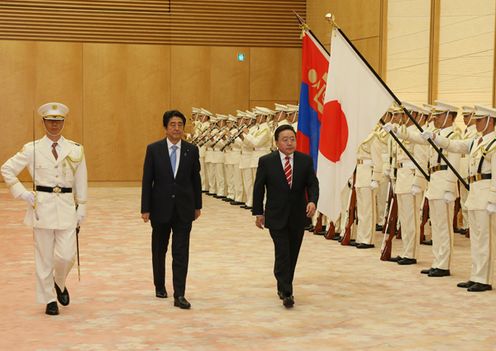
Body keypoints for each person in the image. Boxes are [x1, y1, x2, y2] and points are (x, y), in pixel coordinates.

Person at [1, 102, 87, 316]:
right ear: (43, 122)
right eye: (50, 121)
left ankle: (59, 282)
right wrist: (22, 193)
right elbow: (7, 169)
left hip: (67, 206)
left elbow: (81, 178)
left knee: (67, 256)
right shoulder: (32, 148)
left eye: (58, 121)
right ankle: (49, 299)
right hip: (42, 208)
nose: (54, 125)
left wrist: (82, 205)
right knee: (44, 256)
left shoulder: (75, 149)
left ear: (64, 122)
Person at [428, 105, 496, 291]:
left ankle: (484, 278)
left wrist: (493, 199)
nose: (476, 123)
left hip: (485, 193)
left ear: (490, 121)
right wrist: (436, 137)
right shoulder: (476, 142)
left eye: (480, 120)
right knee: (476, 238)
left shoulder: (494, 143)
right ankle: (476, 275)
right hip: (475, 192)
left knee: (485, 238)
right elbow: (455, 146)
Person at [141, 109, 202, 309]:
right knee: (159, 249)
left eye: (180, 125)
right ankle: (159, 285)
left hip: (184, 208)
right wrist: (145, 208)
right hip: (160, 208)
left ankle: (180, 294)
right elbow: (147, 181)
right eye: (172, 125)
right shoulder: (154, 149)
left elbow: (196, 179)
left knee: (181, 251)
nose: (176, 129)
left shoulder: (191, 150)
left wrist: (197, 205)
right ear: (165, 128)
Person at [252, 124, 319, 308]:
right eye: (285, 139)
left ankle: (283, 282)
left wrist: (313, 201)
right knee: (282, 252)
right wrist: (258, 212)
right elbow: (259, 188)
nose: (289, 143)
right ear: (277, 142)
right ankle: (287, 291)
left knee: (292, 252)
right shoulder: (267, 161)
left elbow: (313, 184)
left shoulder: (305, 161)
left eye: (292, 139)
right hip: (275, 215)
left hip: (298, 215)